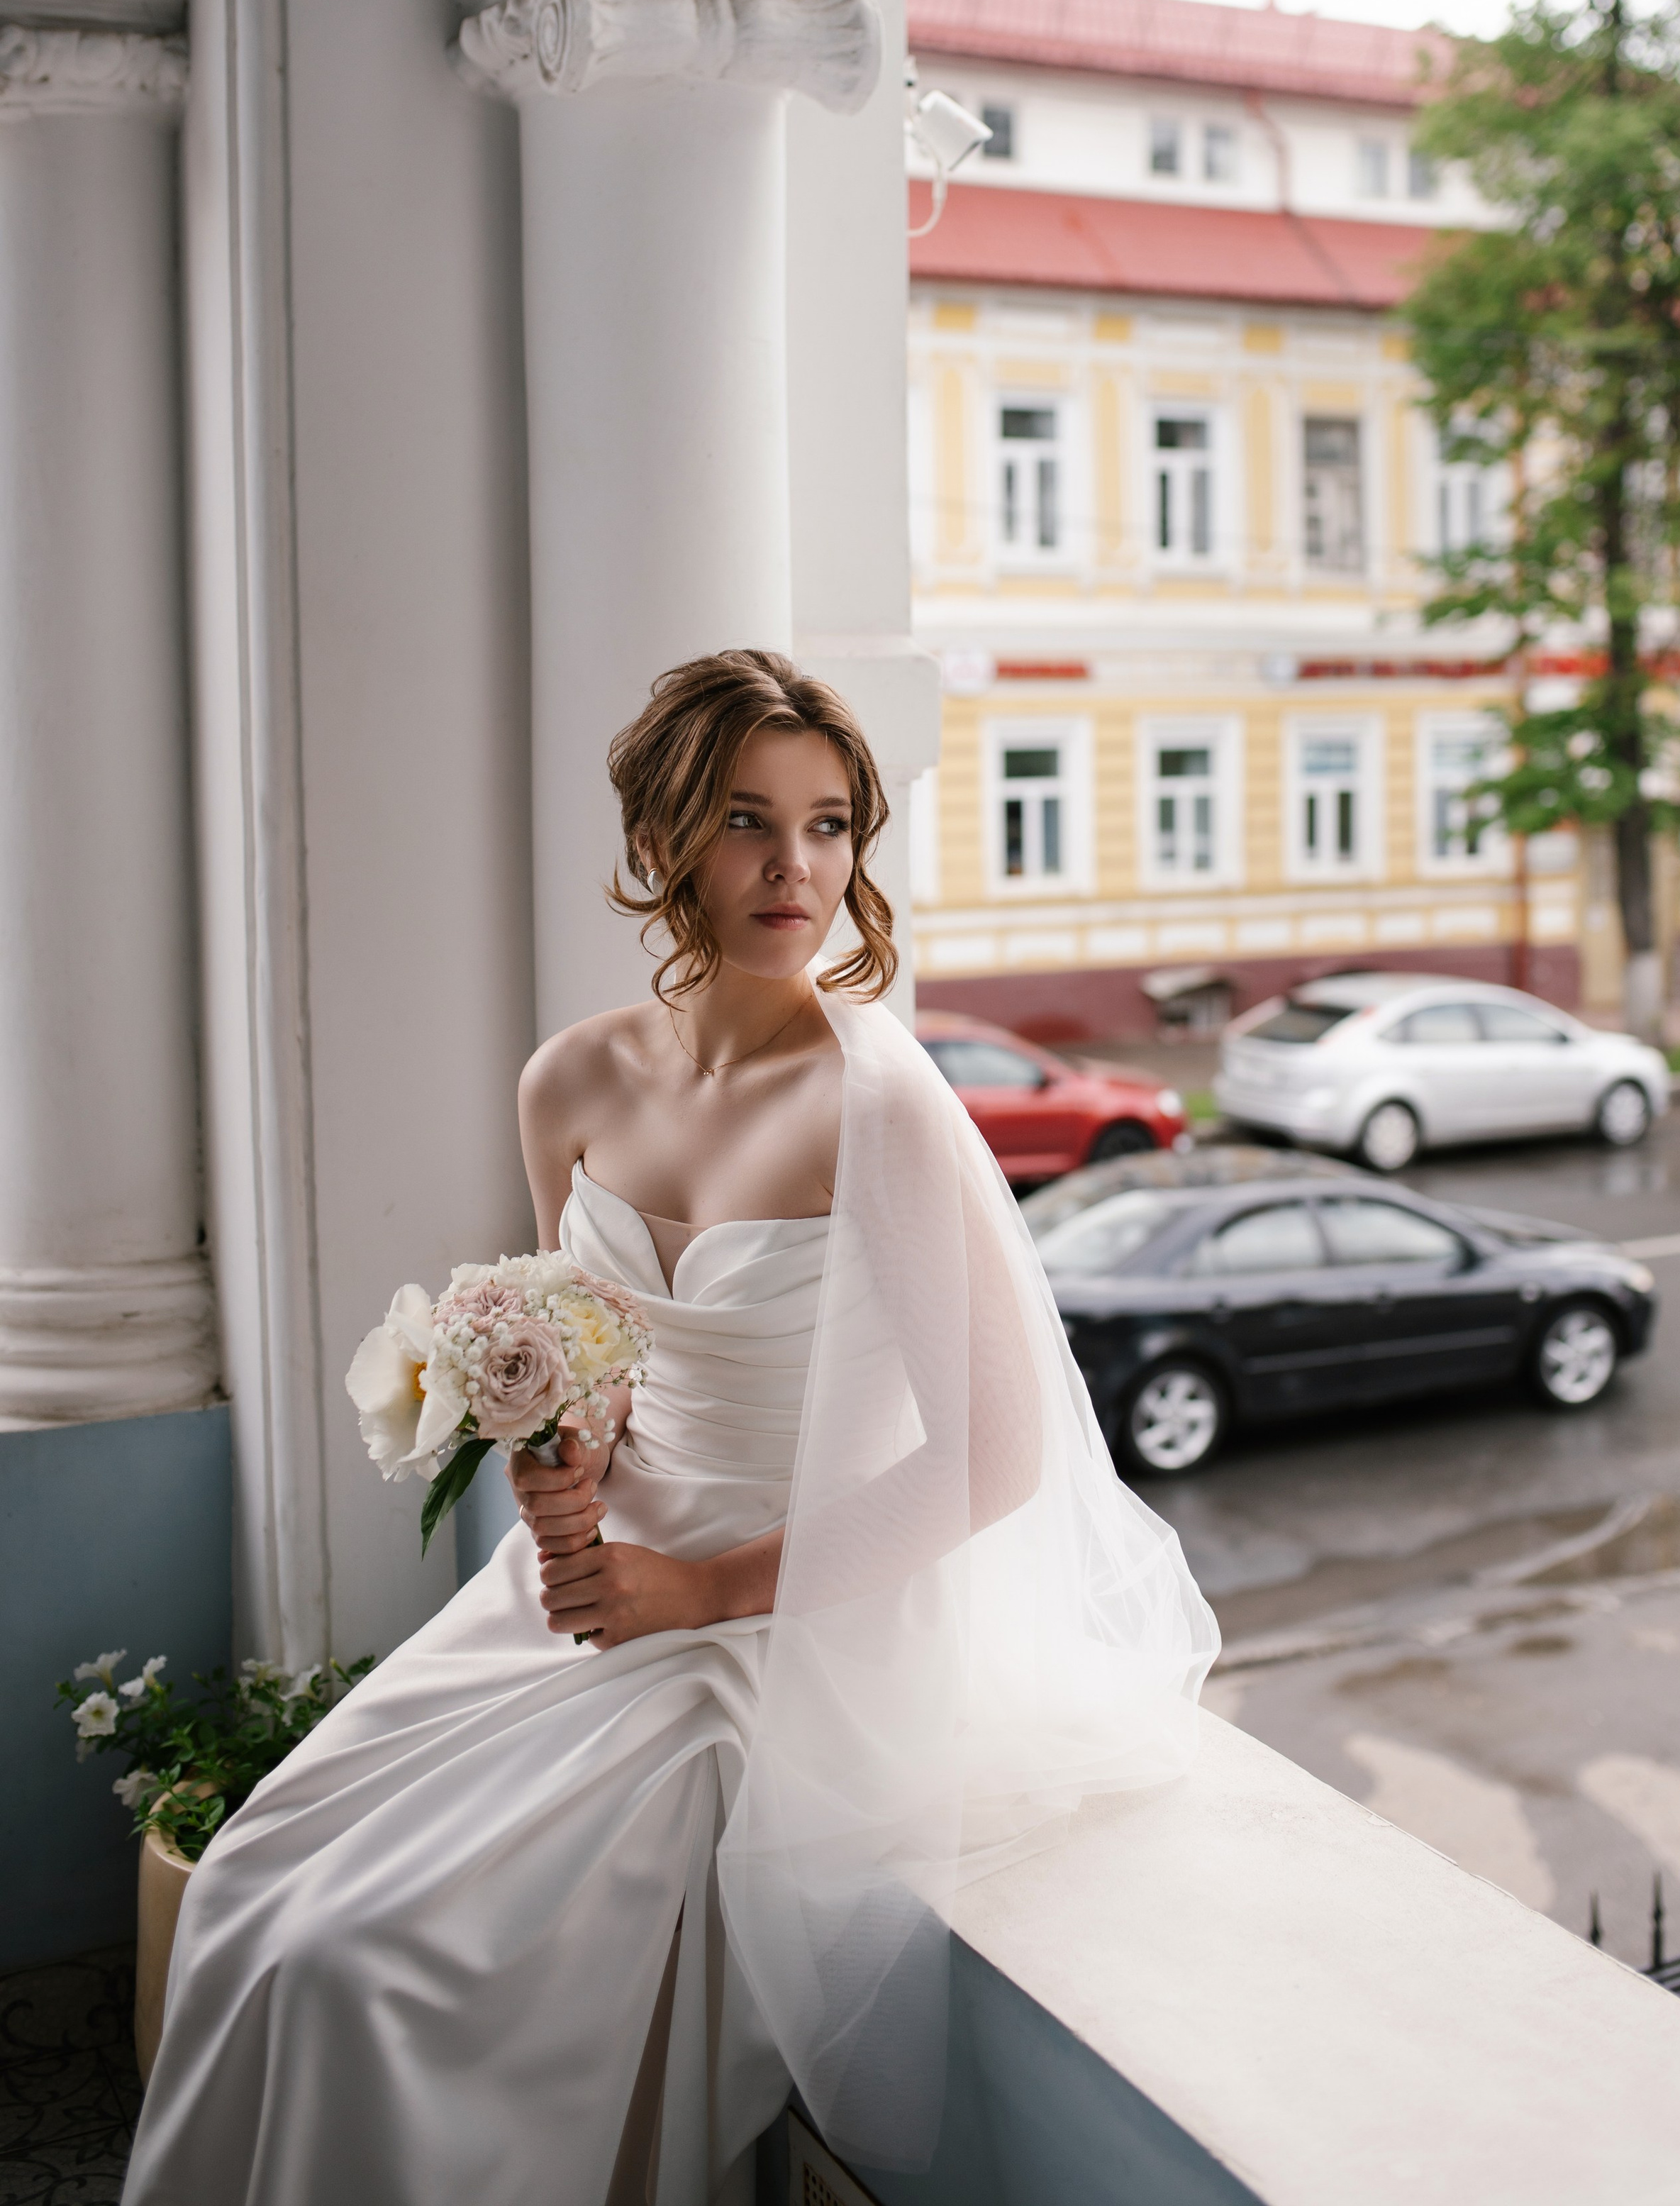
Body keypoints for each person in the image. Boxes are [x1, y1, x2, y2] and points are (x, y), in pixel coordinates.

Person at [123, 651, 1217, 2206]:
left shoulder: (877, 1106)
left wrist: (695, 1593)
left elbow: (992, 1451)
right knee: (257, 1884)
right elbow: (592, 1373)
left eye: (831, 824)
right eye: (747, 821)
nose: (797, 868)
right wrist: (550, 1460)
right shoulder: (570, 1076)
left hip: (779, 1622)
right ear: (661, 841)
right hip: (587, 1593)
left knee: (374, 1967)